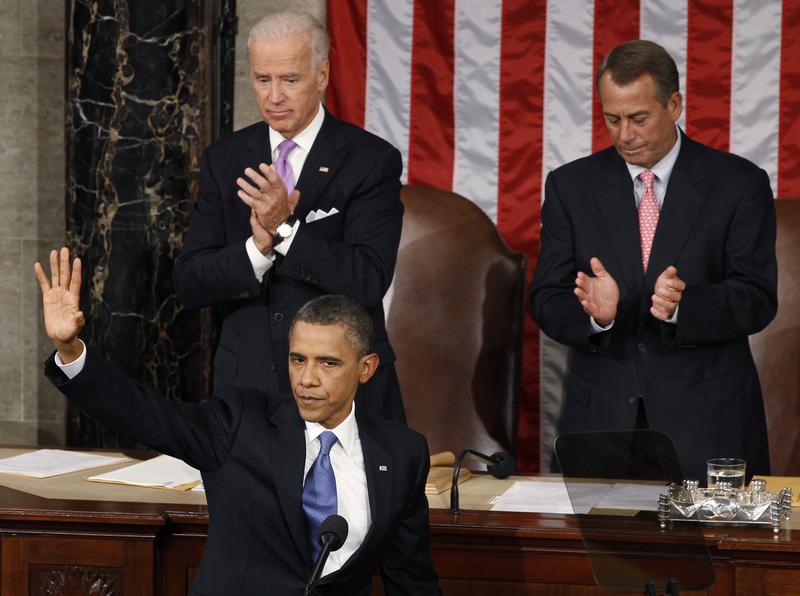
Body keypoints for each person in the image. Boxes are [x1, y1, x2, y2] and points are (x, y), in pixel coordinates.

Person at [35, 248, 440, 596]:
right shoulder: (241, 424)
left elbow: (411, 580)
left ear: (366, 368)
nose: (307, 378)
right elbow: (145, 414)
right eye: (298, 359)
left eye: (328, 363)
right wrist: (70, 351)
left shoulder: (401, 453)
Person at [530, 40, 777, 481]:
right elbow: (547, 298)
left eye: (639, 118)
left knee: (712, 553)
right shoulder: (571, 187)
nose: (625, 134)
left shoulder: (738, 184)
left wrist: (685, 305)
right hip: (601, 426)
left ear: (674, 104)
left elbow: (757, 297)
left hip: (707, 426)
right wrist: (596, 317)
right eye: (613, 119)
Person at [173, 11, 405, 423]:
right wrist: (256, 251)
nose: (274, 96)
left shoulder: (371, 161)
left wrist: (285, 230)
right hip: (247, 396)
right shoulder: (224, 160)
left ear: (322, 74)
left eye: (289, 80)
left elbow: (368, 278)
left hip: (343, 397)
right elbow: (191, 282)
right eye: (263, 80)